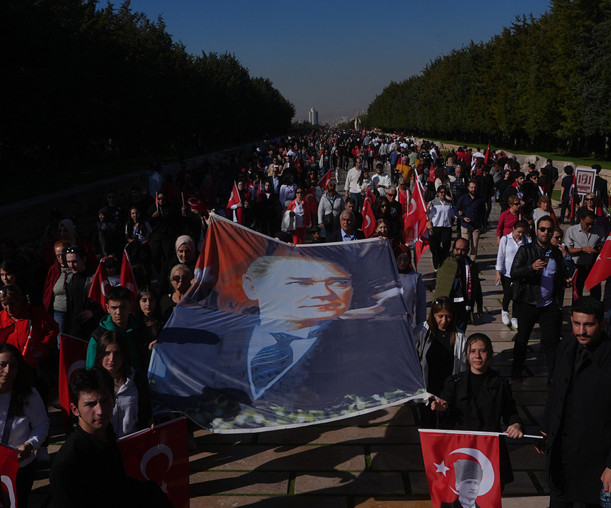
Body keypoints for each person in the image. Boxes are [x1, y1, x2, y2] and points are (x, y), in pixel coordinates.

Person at [49, 367, 172, 508]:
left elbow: (118, 485)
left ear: (114, 400)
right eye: (90, 404)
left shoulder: (107, 432)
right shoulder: (66, 464)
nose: (100, 411)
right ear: (75, 409)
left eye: (105, 401)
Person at [539, 297, 611, 507]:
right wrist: (545, 429)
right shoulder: (568, 345)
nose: (581, 331)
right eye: (576, 323)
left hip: (594, 463)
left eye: (589, 325)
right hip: (561, 459)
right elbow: (556, 391)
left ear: (603, 324)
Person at [432, 334, 523, 488]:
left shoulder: (500, 383)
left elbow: (510, 412)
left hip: (489, 450)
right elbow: (445, 420)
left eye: (483, 351)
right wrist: (442, 410)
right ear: (467, 354)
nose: (477, 356)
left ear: (490, 354)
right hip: (462, 449)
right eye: (473, 351)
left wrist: (516, 424)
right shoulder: (454, 383)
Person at [510, 216, 569, 384]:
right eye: (542, 229)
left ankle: (553, 377)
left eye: (549, 230)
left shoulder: (556, 252)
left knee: (552, 342)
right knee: (522, 340)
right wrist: (531, 268)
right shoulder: (526, 250)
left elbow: (559, 274)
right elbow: (513, 273)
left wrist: (565, 281)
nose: (546, 232)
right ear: (536, 231)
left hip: (548, 304)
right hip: (528, 302)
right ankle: (516, 372)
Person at [0, 344, 49, 507]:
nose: (8, 371)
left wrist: (30, 444)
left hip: (20, 468)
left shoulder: (29, 394)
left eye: (13, 366)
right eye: (2, 365)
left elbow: (41, 424)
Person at [413, 298, 466, 427]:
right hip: (429, 387)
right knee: (427, 421)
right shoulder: (424, 330)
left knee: (447, 423)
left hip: (448, 390)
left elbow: (463, 365)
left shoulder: (459, 336)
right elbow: (409, 343)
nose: (444, 321)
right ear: (433, 315)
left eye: (447, 317)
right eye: (440, 316)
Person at [86, 285, 144, 375]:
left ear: (130, 306)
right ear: (107, 308)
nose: (119, 312)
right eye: (114, 308)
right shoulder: (98, 336)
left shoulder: (140, 331)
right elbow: (91, 370)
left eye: (123, 307)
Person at [94, 331, 140, 437]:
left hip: (134, 444)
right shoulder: (92, 383)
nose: (112, 359)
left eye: (117, 353)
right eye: (107, 353)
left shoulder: (138, 381)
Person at [435, 239, 483, 333]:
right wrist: (432, 234)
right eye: (457, 249)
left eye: (463, 250)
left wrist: (480, 305)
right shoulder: (445, 260)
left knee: (460, 335)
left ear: (468, 250)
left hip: (463, 307)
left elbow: (476, 286)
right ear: (453, 249)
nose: (459, 252)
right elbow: (435, 248)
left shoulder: (471, 265)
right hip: (446, 305)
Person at [496, 220, 530, 329]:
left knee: (518, 296)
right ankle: (505, 311)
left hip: (520, 273)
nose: (520, 235)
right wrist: (498, 272)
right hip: (507, 273)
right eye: (519, 232)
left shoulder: (527, 240)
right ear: (513, 229)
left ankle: (515, 316)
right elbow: (500, 256)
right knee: (508, 294)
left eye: (522, 232)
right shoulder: (505, 239)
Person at [565, 210, 604, 301]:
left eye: (592, 224)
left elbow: (603, 245)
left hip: (592, 266)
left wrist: (597, 249)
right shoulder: (572, 230)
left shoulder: (598, 230)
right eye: (588, 224)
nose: (590, 226)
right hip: (577, 266)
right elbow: (568, 250)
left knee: (596, 293)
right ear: (581, 220)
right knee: (577, 293)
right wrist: (582, 250)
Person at [42, 240, 71, 333]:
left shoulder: (75, 268)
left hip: (74, 312)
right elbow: (47, 290)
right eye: (58, 255)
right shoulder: (54, 270)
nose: (61, 258)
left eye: (63, 254)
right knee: (60, 340)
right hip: (59, 311)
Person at [455, 180, 486, 261]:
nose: (473, 189)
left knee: (474, 245)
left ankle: (472, 261)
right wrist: (463, 218)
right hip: (465, 225)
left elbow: (484, 213)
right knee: (464, 244)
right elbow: (455, 211)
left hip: (476, 225)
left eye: (475, 188)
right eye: (471, 187)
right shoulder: (463, 198)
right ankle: (463, 260)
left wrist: (485, 225)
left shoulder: (480, 199)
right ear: (468, 188)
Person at [427, 185, 454, 270]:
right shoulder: (432, 203)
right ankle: (436, 265)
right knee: (435, 247)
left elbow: (453, 214)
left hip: (446, 227)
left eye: (444, 192)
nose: (442, 194)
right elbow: (429, 215)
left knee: (446, 245)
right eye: (441, 192)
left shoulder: (449, 203)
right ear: (438, 193)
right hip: (436, 227)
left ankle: (443, 262)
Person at [396, 250, 426, 326]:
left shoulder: (415, 277)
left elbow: (421, 303)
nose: (402, 262)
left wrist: (421, 325)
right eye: (400, 259)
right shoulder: (388, 276)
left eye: (406, 259)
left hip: (410, 323)